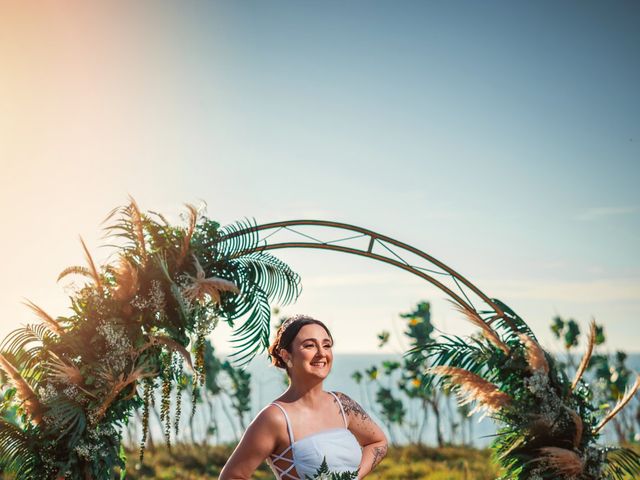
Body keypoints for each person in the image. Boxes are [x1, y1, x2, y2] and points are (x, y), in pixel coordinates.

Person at [219, 314, 388, 479]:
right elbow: (232, 476)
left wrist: (354, 476)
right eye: (309, 346)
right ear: (286, 355)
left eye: (327, 345)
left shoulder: (342, 404)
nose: (322, 353)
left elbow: (378, 442)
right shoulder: (275, 418)